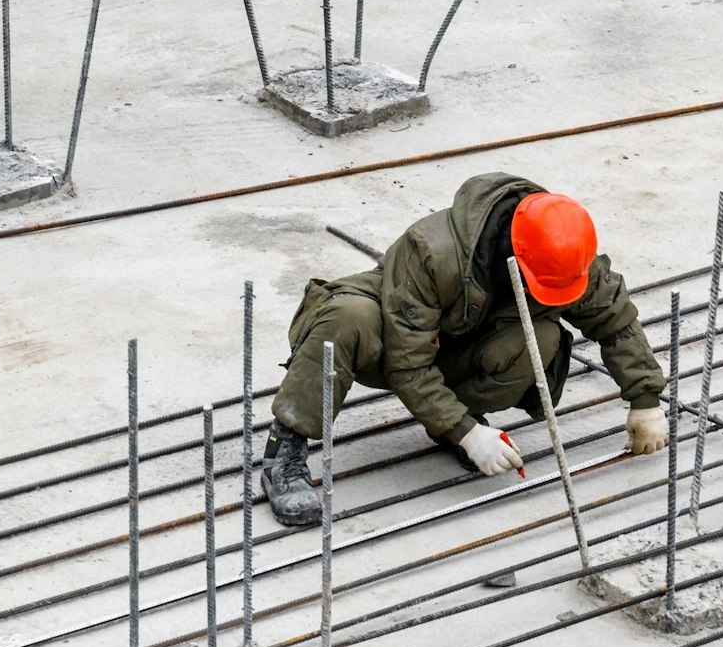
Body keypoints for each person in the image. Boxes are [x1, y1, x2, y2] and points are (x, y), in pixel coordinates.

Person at [260, 172, 668, 526]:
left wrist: (645, 398)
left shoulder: (563, 250)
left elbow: (615, 320)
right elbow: (408, 364)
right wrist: (468, 434)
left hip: (453, 349)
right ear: (515, 256)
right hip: (390, 344)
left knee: (539, 339)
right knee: (347, 316)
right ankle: (285, 452)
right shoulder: (433, 251)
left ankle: (453, 421)